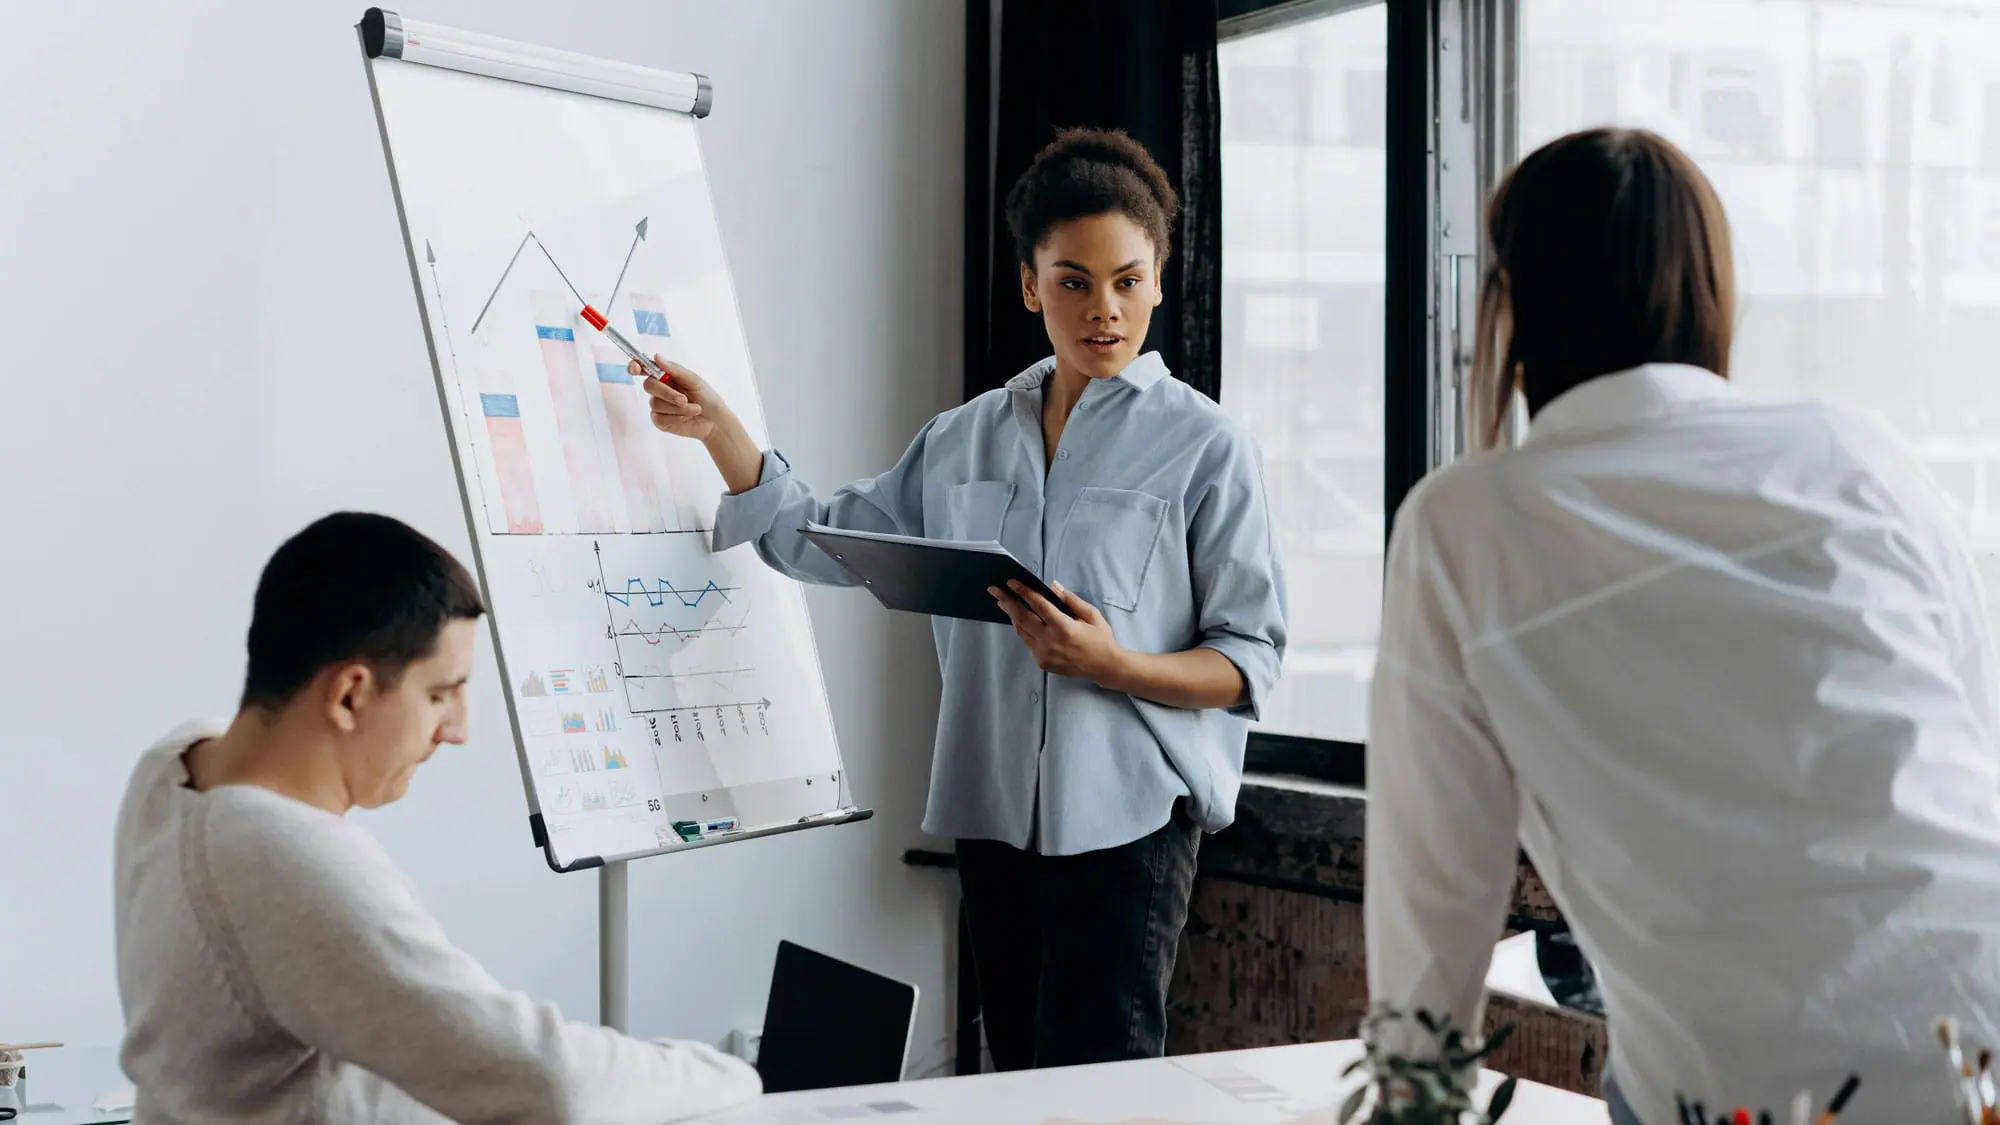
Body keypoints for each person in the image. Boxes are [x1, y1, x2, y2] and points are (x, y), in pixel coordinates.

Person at [1364, 126, 2000, 1125]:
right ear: (1710, 290)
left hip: (1766, 1088)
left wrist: (1409, 1110)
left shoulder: (1465, 526)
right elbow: (1973, 747)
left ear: (1513, 307)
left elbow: (1431, 912)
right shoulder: (1854, 454)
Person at [630, 128, 1287, 1069]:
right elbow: (827, 540)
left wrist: (1114, 664)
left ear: (1157, 278)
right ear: (1030, 285)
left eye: (1127, 281)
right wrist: (722, 433)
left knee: (1101, 1078)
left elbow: (1248, 659)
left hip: (1131, 821)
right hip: (991, 810)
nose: (1104, 309)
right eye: (1073, 280)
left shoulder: (1208, 446)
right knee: (1010, 1072)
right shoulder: (965, 437)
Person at [113, 512, 761, 1125]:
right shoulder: (277, 853)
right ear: (349, 693)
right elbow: (543, 1078)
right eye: (439, 693)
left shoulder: (173, 767)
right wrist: (733, 1075)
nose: (458, 729)